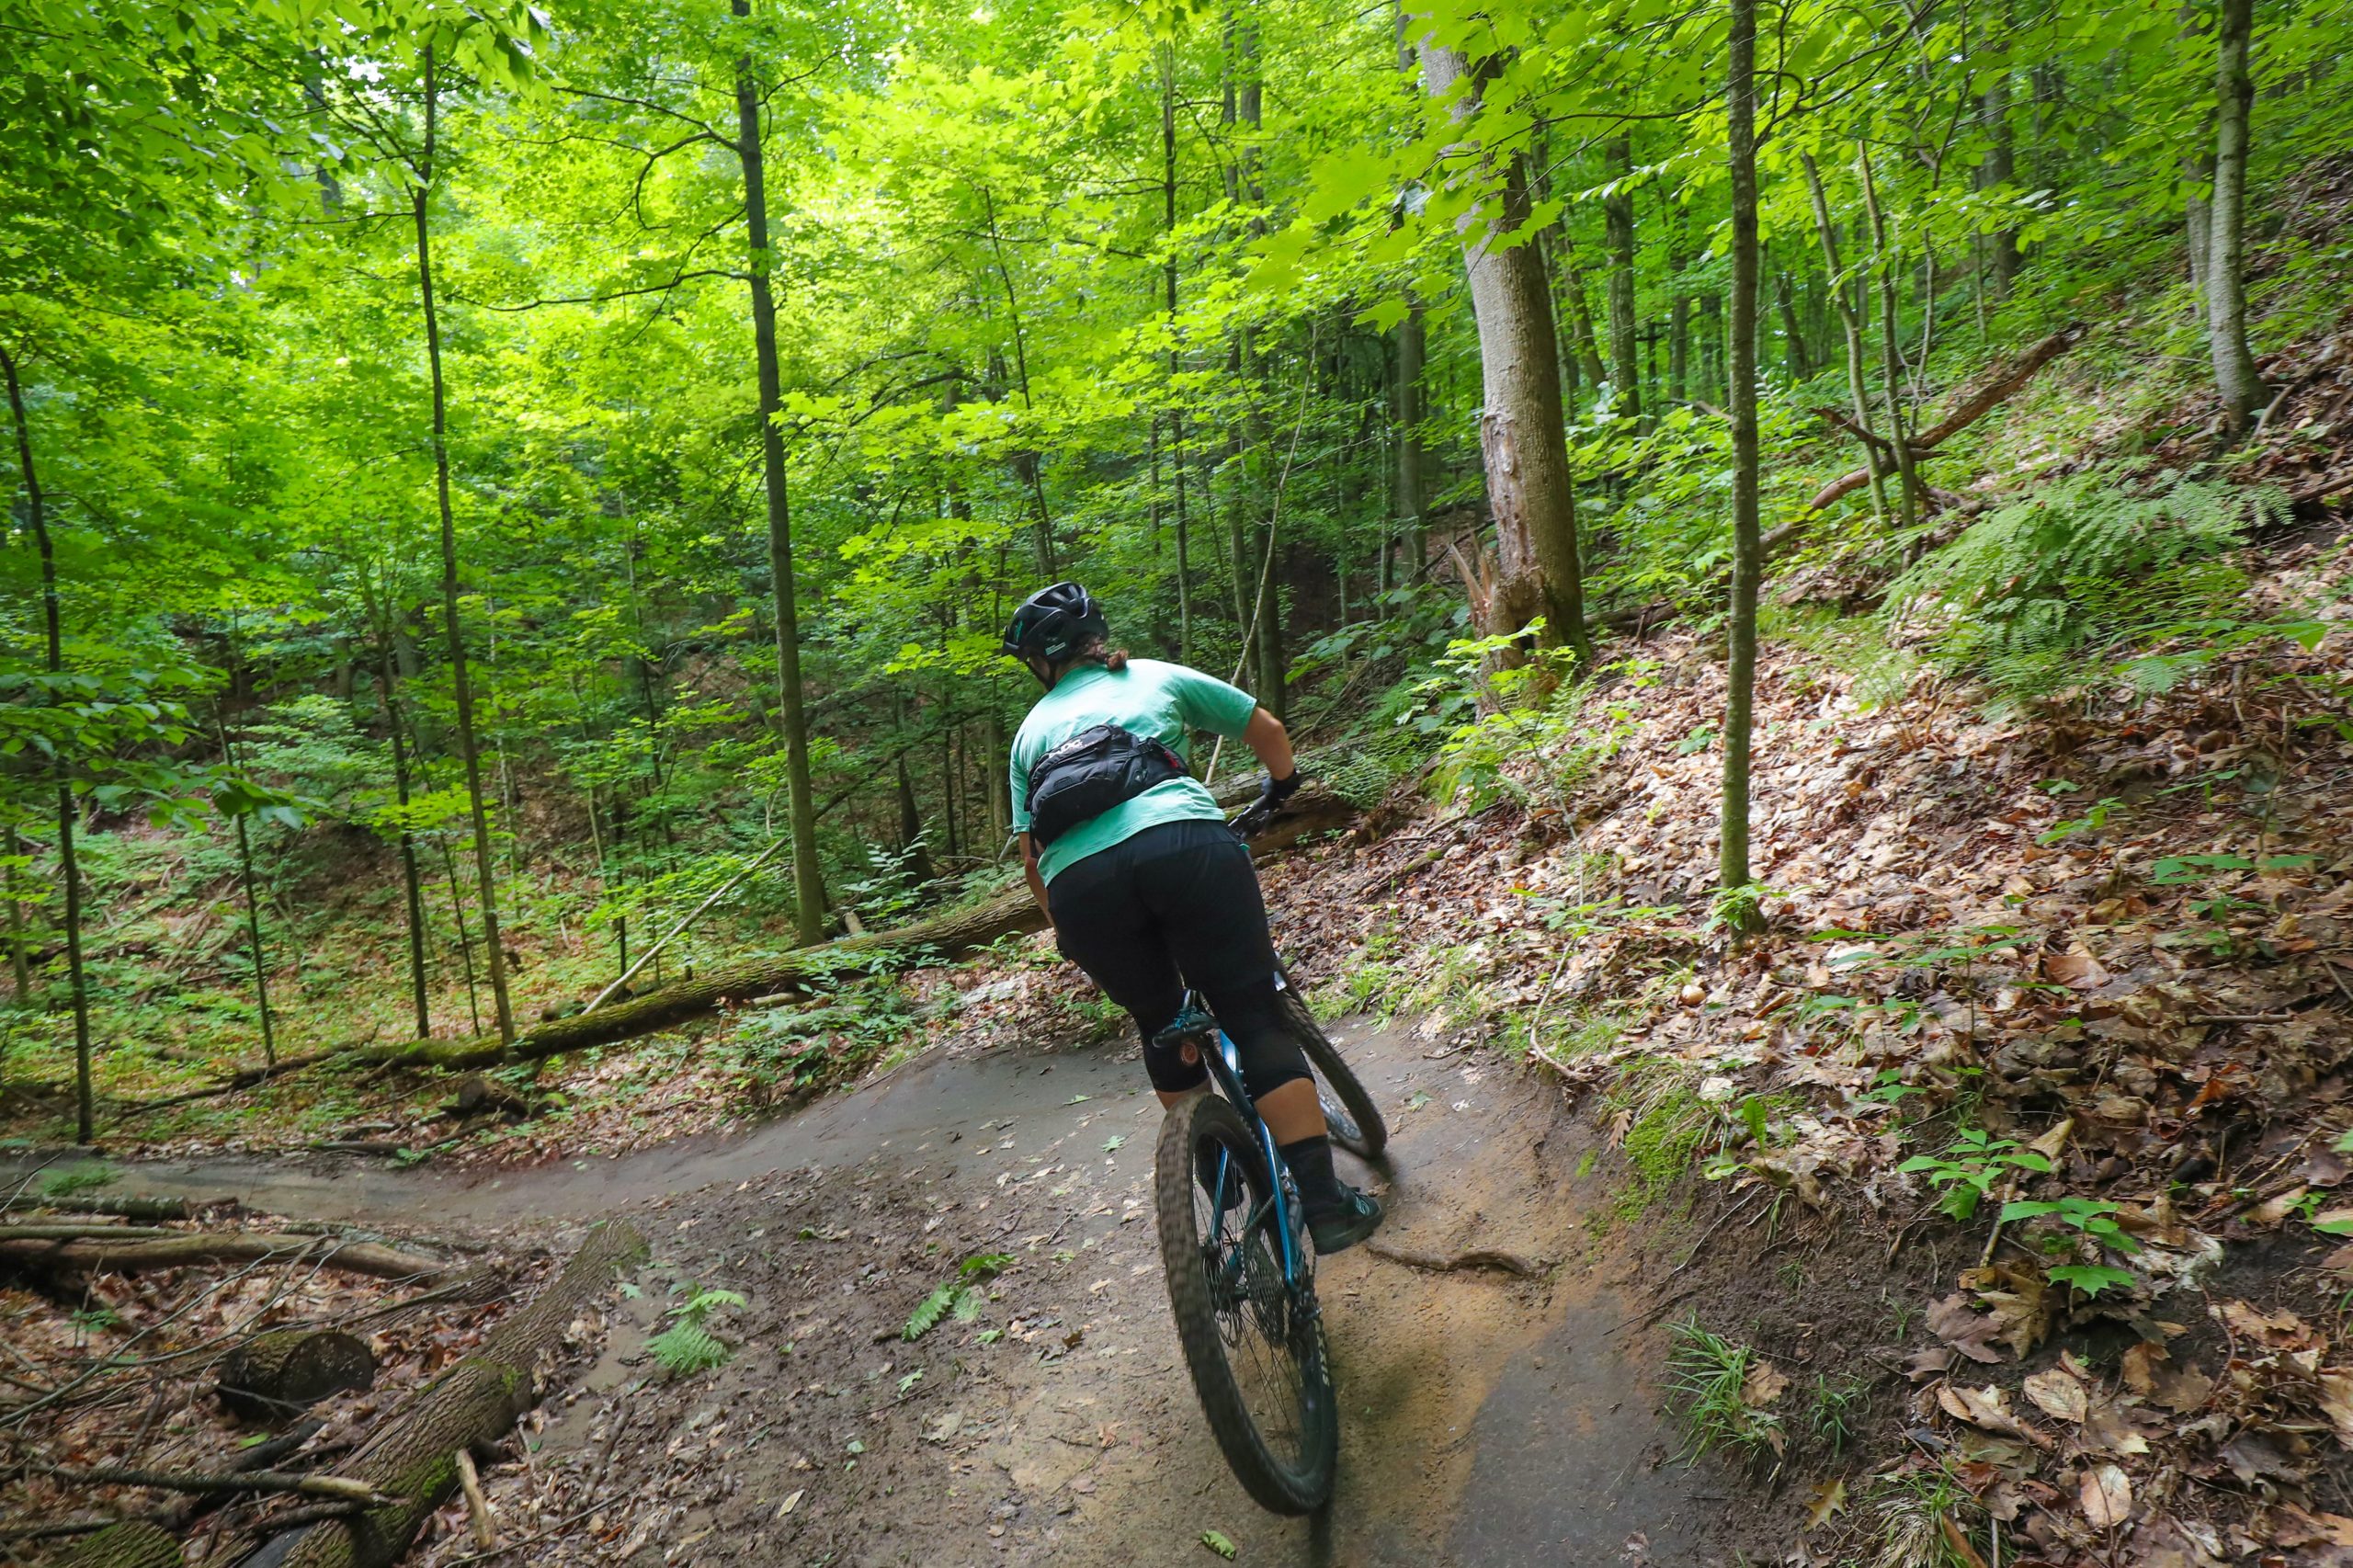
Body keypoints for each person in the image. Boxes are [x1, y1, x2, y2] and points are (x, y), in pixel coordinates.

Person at [1003, 581, 1383, 1255]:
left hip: (1081, 887)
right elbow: (1265, 730)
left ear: (1040, 663)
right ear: (1099, 636)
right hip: (1182, 844)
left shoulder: (1030, 734)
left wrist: (1066, 929)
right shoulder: (1151, 677)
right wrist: (1282, 786)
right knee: (1251, 1015)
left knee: (1160, 1024)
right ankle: (1326, 1207)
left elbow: (1033, 862)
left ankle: (1216, 1168)